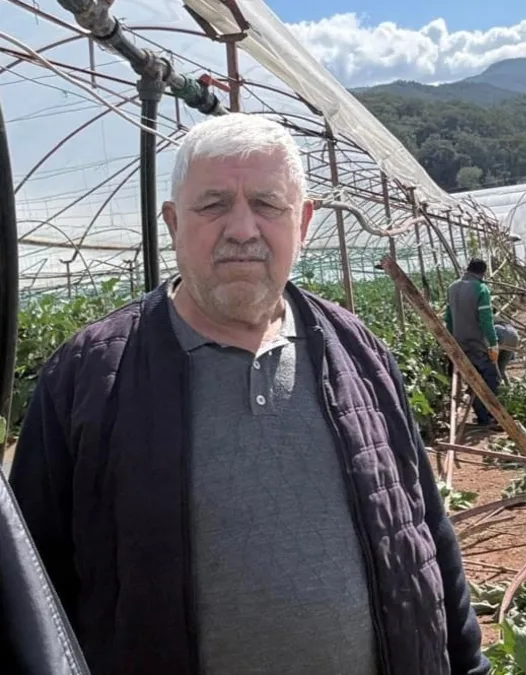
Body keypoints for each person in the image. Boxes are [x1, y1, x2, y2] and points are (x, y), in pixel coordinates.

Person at [9, 113, 487, 675]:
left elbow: (426, 529)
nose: (242, 228)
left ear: (303, 222)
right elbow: (31, 592)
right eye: (213, 205)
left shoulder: (360, 353)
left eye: (267, 204)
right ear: (172, 222)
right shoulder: (87, 377)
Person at [444, 258, 502, 430]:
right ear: (482, 273)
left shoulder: (452, 288)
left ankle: (483, 417)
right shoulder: (481, 288)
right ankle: (489, 416)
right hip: (477, 343)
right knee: (490, 379)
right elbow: (486, 320)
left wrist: (451, 341)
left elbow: (448, 317)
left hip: (459, 342)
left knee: (473, 379)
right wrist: (493, 343)